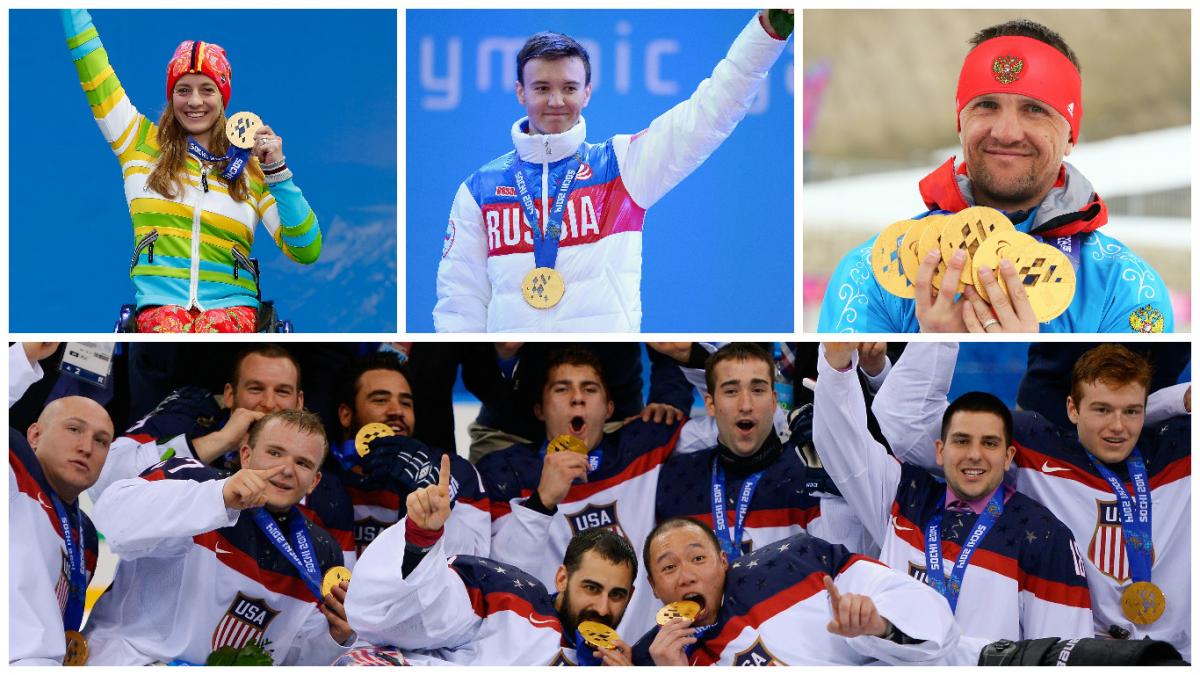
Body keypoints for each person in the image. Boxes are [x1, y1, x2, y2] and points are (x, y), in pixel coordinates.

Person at [434, 10, 793, 332]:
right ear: (520, 92)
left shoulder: (621, 166)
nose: (556, 101)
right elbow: (459, 307)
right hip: (525, 382)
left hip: (603, 372)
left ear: (587, 92)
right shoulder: (480, 189)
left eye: (569, 88)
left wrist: (766, 31)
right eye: (542, 88)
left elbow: (710, 111)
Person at [818, 19, 1172, 334]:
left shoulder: (1124, 287)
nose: (1006, 132)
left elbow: (1113, 401)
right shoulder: (873, 273)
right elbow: (851, 398)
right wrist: (931, 349)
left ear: (1070, 136)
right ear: (960, 122)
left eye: (1034, 110)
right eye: (986, 105)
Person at [871, 342, 1190, 659]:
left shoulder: (1179, 450)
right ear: (1072, 409)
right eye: (1101, 410)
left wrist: (1180, 398)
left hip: (1178, 654)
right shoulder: (1031, 445)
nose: (1117, 426)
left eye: (1131, 411)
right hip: (1079, 650)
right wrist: (939, 333)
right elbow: (909, 423)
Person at [62, 9, 321, 333]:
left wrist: (277, 171)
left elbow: (306, 250)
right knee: (167, 327)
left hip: (233, 310)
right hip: (160, 311)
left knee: (217, 327)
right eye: (183, 89)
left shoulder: (250, 169)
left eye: (207, 89)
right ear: (171, 96)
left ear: (223, 98)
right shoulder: (136, 140)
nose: (194, 101)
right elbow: (92, 64)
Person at [813, 342, 1092, 643]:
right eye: (961, 441)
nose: (974, 455)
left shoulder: (1044, 536)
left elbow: (1059, 654)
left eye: (989, 443)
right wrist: (838, 365)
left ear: (1009, 456)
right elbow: (843, 445)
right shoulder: (904, 497)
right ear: (940, 451)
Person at [84, 410, 353, 665]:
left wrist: (333, 639)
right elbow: (113, 517)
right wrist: (218, 498)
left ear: (315, 482)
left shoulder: (321, 552)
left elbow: (289, 657)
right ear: (245, 455)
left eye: (302, 463)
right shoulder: (192, 477)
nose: (286, 469)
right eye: (274, 453)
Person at [346, 459, 640, 666]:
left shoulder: (620, 664)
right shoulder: (509, 599)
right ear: (562, 578)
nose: (602, 608)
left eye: (617, 595)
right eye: (591, 588)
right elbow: (400, 616)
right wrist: (421, 536)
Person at [476, 346, 683, 639]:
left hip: (640, 653)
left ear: (609, 408)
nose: (577, 397)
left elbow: (725, 430)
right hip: (545, 653)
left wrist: (674, 399)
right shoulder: (505, 472)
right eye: (562, 389)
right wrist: (541, 502)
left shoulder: (645, 446)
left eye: (589, 389)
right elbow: (500, 581)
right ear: (540, 409)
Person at [631, 517, 960, 666]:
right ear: (653, 587)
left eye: (698, 558)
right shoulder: (651, 659)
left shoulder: (796, 565)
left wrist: (880, 626)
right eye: (669, 568)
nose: (686, 576)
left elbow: (934, 622)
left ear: (723, 562)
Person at [656, 343, 873, 557]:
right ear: (710, 404)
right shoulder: (677, 479)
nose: (746, 405)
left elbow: (844, 564)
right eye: (731, 391)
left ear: (773, 401)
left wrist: (835, 495)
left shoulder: (808, 478)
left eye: (758, 390)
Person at [315, 353, 490, 558]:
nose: (397, 411)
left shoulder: (453, 471)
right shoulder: (316, 475)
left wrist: (428, 502)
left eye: (406, 403)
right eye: (380, 400)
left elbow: (475, 558)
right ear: (346, 415)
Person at [86, 344, 305, 500]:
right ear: (229, 395)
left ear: (299, 401)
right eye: (255, 389)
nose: (268, 403)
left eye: (282, 392)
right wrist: (219, 441)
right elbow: (103, 480)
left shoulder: (313, 461)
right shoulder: (184, 419)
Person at [9, 343, 113, 665]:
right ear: (35, 435)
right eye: (73, 429)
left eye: (101, 441)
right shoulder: (13, 470)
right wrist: (22, 356)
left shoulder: (85, 535)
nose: (86, 447)